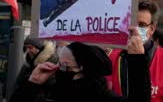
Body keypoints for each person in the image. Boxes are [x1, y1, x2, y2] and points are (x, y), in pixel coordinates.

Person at [10, 27, 150, 102]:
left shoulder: (103, 98)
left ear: (84, 70)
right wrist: (32, 83)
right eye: (59, 65)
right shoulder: (53, 94)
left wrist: (137, 61)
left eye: (65, 66)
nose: (59, 70)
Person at [108, 0, 163, 102]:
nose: (135, 29)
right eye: (132, 23)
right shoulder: (112, 58)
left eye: (142, 25)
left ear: (152, 29)